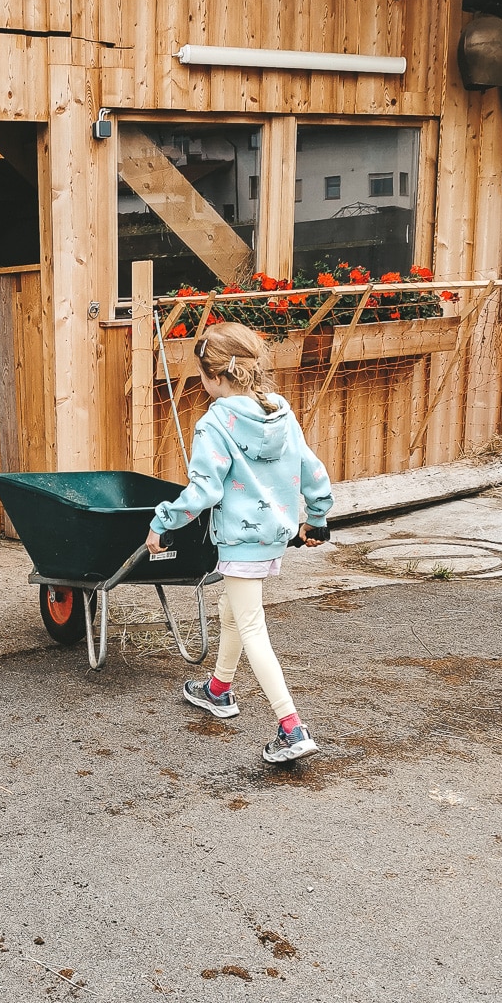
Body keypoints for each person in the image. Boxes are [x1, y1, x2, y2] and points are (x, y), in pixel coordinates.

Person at [145, 322, 333, 764]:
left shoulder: (215, 424)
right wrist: (318, 518)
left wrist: (162, 522)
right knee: (234, 611)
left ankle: (291, 727)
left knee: (251, 626)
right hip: (273, 537)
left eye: (202, 375)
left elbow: (205, 492)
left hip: (240, 539)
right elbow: (312, 469)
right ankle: (219, 689)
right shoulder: (280, 412)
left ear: (214, 376)